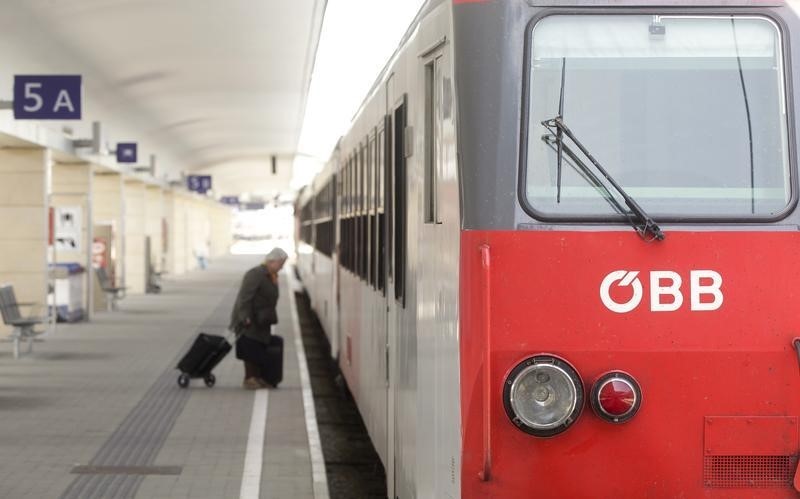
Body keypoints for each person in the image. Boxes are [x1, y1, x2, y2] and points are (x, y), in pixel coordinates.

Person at [229, 247, 288, 389]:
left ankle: (257, 377)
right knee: (250, 347)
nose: (282, 267)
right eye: (281, 264)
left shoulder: (270, 275)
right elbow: (244, 298)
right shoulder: (255, 274)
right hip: (250, 318)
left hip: (261, 319)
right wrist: (245, 317)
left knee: (259, 346)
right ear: (272, 261)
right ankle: (249, 378)